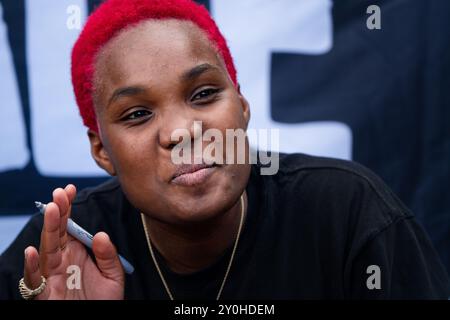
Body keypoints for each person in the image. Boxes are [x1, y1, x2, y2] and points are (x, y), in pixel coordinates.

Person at [0, 0, 449, 300]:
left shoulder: (348, 213)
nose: (181, 132)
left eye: (203, 95)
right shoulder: (59, 252)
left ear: (243, 108)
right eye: (137, 114)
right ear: (101, 150)